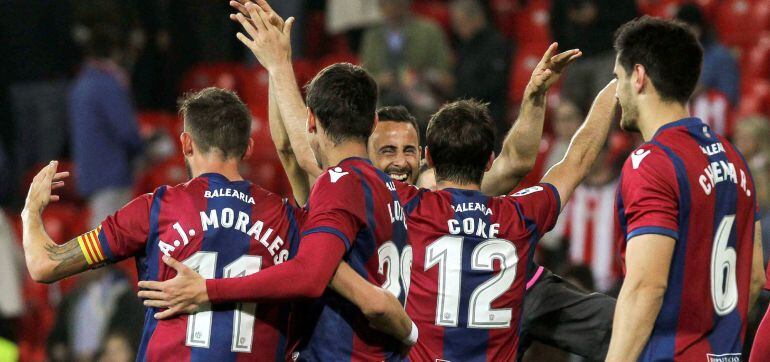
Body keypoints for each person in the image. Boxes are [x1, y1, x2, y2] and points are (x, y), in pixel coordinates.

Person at [22, 86, 408, 360]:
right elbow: (334, 282)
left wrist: (30, 214)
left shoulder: (154, 210)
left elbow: (44, 263)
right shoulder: (289, 219)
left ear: (186, 144)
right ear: (248, 148)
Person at [139, 3, 417, 359]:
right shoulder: (381, 186)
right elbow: (289, 150)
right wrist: (277, 65)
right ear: (373, 124)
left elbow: (309, 275)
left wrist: (209, 289)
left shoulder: (339, 183)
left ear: (312, 121)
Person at [606, 17, 765, 360]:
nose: (617, 93)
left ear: (638, 76)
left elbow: (645, 288)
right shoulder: (734, 158)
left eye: (618, 79)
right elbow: (753, 279)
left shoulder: (651, 162)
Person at [68, 24, 143, 228]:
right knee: (109, 247)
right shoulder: (107, 84)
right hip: (111, 177)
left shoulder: (80, 83)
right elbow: (128, 133)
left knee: (101, 244)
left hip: (90, 177)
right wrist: (145, 147)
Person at [359, 0, 453, 125]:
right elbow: (362, 81)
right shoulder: (372, 37)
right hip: (381, 107)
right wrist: (381, 80)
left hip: (422, 108)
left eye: (397, 3)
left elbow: (447, 79)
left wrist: (423, 76)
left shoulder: (429, 31)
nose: (393, 7)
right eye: (386, 3)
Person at [449, 0, 511, 150]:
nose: (457, 29)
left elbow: (495, 85)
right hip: (465, 117)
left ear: (477, 18)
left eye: (461, 23)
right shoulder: (465, 46)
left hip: (489, 120)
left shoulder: (495, 45)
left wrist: (456, 86)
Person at [675, 3, 740, 106]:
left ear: (697, 29)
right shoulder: (675, 56)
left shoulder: (721, 57)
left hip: (712, 115)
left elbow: (731, 98)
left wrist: (704, 90)